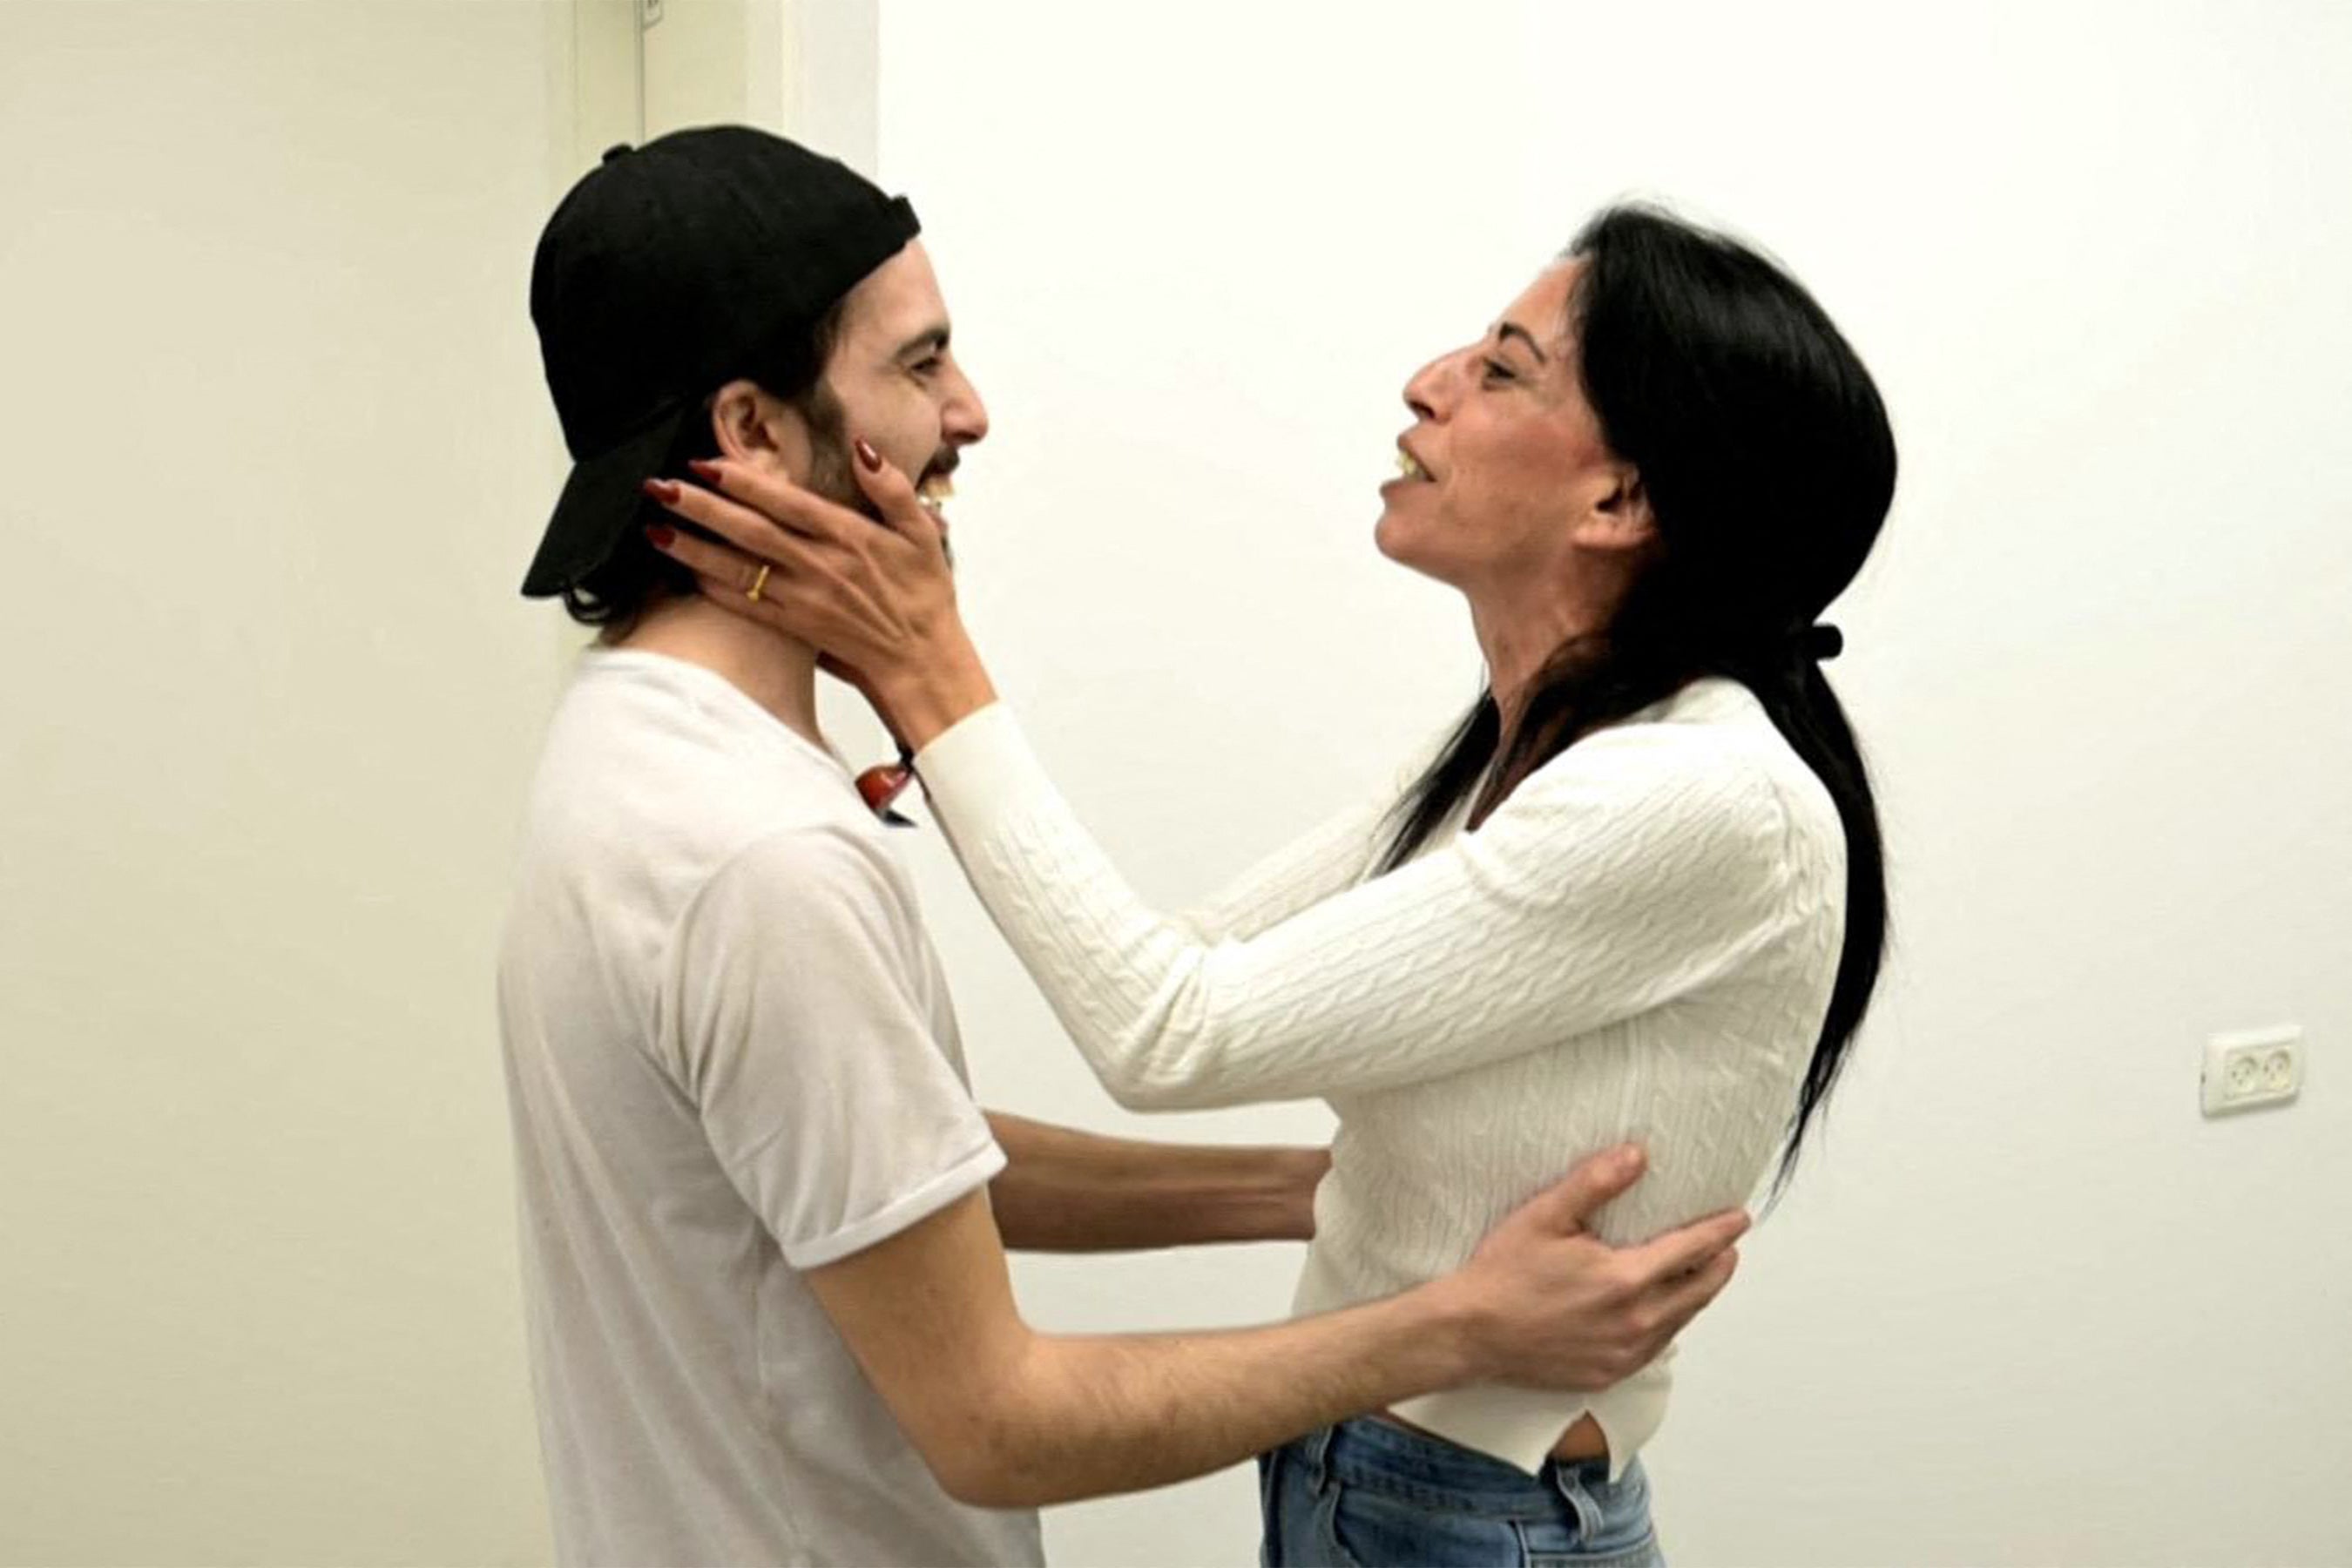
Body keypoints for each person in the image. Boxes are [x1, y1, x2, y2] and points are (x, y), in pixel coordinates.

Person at [501, 126, 1749, 1568]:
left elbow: (898, 1171)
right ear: (753, 433)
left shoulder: (631, 750)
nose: (970, 414)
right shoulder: (761, 860)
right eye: (918, 365)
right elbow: (1000, 1421)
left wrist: (1325, 1193)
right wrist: (1453, 1325)